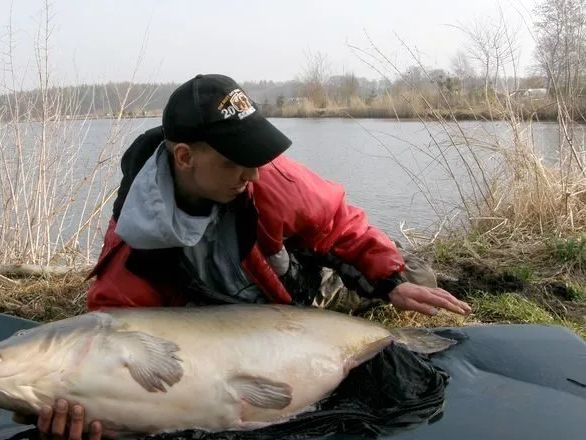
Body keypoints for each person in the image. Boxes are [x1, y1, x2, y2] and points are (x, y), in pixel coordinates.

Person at [28, 73, 472, 439]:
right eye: (236, 161)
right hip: (223, 326)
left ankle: (379, 282)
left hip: (296, 290)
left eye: (255, 156)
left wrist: (391, 279)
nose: (253, 173)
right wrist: (87, 406)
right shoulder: (139, 240)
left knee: (417, 277)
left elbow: (337, 223)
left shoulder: (268, 176)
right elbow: (117, 323)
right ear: (184, 157)